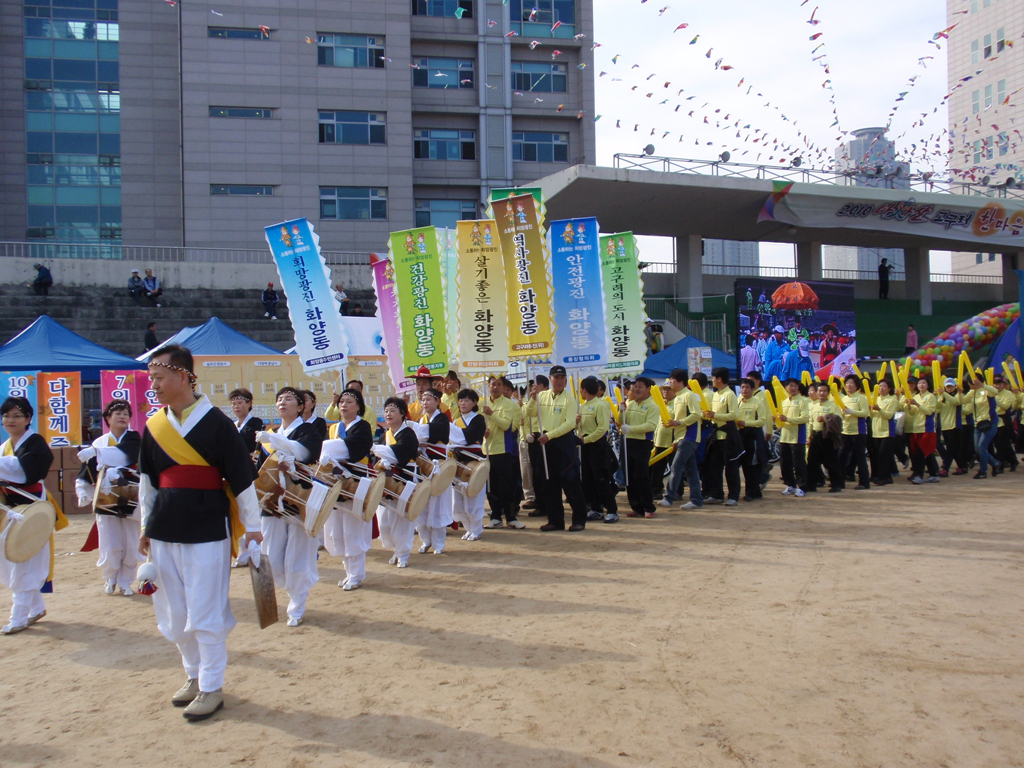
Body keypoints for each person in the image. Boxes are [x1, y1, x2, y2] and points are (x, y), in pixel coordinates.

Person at [137, 344, 262, 720]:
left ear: (183, 376)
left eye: (159, 378)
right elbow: (148, 482)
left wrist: (253, 528)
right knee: (173, 610)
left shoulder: (218, 424)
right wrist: (146, 524)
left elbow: (242, 481)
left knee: (205, 609)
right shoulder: (154, 426)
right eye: (151, 379)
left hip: (208, 529)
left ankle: (211, 685)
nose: (154, 386)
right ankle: (192, 676)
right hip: (164, 529)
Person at [254, 387, 323, 626]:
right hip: (272, 500)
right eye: (280, 399)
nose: (283, 402)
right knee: (271, 556)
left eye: (290, 398)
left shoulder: (308, 430)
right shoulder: (270, 435)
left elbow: (306, 452)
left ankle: (297, 604)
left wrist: (274, 441)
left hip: (299, 497)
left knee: (298, 554)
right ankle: (293, 590)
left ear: (301, 406)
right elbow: (262, 470)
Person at [0, 396, 68, 635]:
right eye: (7, 415)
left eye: (17, 415)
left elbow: (26, 470)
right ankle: (36, 608)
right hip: (11, 510)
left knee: (26, 561)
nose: (10, 420)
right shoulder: (5, 447)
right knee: (13, 558)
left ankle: (18, 617)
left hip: (32, 509)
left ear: (28, 419)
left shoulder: (36, 443)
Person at [75, 399, 143, 595]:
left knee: (131, 541)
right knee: (110, 541)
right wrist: (83, 489)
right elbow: (86, 470)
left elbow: (125, 456)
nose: (122, 417)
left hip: (130, 494)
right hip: (106, 495)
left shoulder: (133, 438)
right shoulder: (99, 442)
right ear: (107, 418)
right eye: (118, 413)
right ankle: (110, 577)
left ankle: (125, 581)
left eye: (126, 414)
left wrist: (96, 453)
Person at [319, 388, 375, 589]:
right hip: (335, 482)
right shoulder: (334, 429)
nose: (344, 405)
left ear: (359, 406)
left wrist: (329, 449)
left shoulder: (363, 426)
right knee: (336, 531)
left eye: (350, 401)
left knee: (353, 529)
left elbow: (357, 448)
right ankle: (348, 570)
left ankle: (356, 573)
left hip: (355, 481)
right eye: (341, 401)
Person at [523, 366, 589, 531]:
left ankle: (579, 520)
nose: (559, 381)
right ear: (550, 379)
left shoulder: (569, 399)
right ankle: (555, 521)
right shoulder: (542, 395)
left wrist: (550, 435)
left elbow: (570, 423)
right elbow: (529, 413)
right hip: (545, 444)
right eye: (556, 377)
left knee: (570, 482)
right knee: (549, 483)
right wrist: (532, 397)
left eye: (562, 378)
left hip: (563, 443)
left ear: (566, 380)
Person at [372, 397, 422, 568]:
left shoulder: (408, 434)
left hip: (403, 481)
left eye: (393, 410)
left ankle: (403, 554)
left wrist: (381, 453)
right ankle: (396, 550)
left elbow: (402, 453)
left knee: (401, 520)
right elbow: (375, 458)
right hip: (385, 483)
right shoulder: (384, 436)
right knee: (384, 523)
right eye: (386, 411)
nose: (388, 414)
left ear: (402, 413)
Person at [413, 388, 454, 554]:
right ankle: (426, 540)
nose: (425, 402)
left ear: (438, 401)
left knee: (438, 503)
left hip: (437, 466)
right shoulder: (421, 420)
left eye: (429, 399)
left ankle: (438, 542)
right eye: (423, 399)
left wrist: (417, 434)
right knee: (421, 502)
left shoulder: (442, 419)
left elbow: (435, 434)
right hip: (421, 466)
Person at [482, 376, 525, 529]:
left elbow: (507, 425)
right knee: (491, 486)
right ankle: (495, 516)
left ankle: (511, 517)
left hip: (504, 450)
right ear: (488, 386)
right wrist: (483, 431)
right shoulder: (482, 403)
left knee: (507, 486)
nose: (495, 387)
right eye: (493, 384)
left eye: (499, 385)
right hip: (487, 450)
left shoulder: (510, 405)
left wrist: (491, 414)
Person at [617, 377, 661, 519]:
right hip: (627, 442)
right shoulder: (630, 403)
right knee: (629, 476)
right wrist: (621, 411)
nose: (636, 389)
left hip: (642, 443)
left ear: (648, 389)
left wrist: (631, 429)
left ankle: (648, 507)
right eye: (635, 386)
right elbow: (620, 421)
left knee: (641, 476)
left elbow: (650, 426)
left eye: (640, 386)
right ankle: (636, 507)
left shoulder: (652, 406)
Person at [660, 369, 704, 510]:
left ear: (680, 381)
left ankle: (669, 497)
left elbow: (696, 414)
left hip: (689, 437)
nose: (670, 382)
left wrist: (678, 423)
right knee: (691, 470)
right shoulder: (678, 397)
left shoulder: (689, 395)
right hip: (681, 437)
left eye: (672, 380)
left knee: (676, 467)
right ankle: (696, 500)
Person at [578, 377, 619, 523]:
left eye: (581, 389)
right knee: (588, 479)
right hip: (585, 447)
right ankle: (596, 508)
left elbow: (602, 429)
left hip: (597, 446)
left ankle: (612, 510)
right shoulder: (582, 406)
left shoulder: (601, 405)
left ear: (584, 390)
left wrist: (586, 439)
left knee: (601, 479)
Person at [449, 389, 487, 540]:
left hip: (474, 460)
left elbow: (468, 438)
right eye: (461, 400)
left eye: (467, 400)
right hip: (458, 462)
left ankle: (476, 529)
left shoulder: (478, 419)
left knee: (473, 495)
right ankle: (468, 527)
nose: (463, 403)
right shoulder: (456, 421)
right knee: (458, 498)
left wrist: (455, 434)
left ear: (474, 402)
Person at [703, 368, 742, 506]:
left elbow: (734, 415)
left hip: (727, 436)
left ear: (719, 379)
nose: (712, 380)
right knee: (714, 467)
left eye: (713, 377)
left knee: (731, 468)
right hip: (716, 436)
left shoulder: (730, 394)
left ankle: (733, 496)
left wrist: (716, 415)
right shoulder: (716, 394)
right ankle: (716, 494)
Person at [736, 378, 770, 501]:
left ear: (753, 389)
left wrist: (746, 423)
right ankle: (755, 492)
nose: (744, 390)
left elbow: (761, 421)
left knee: (753, 465)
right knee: (745, 465)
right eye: (742, 387)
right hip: (742, 436)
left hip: (754, 437)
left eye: (747, 387)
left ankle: (751, 492)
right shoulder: (738, 402)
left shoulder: (757, 403)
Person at [902, 376, 940, 484]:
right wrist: (909, 406)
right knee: (923, 453)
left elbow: (929, 411)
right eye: (919, 383)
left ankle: (919, 475)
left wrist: (916, 404)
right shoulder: (917, 396)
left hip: (926, 428)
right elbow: (913, 413)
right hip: (916, 428)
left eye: (923, 383)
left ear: (928, 385)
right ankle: (933, 474)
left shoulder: (930, 396)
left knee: (922, 453)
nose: (921, 385)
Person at [777, 378, 810, 497]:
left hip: (797, 437)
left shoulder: (802, 401)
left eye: (795, 386)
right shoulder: (784, 401)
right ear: (786, 387)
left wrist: (788, 419)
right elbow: (781, 419)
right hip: (784, 437)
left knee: (798, 463)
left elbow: (805, 418)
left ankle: (802, 487)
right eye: (791, 386)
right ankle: (790, 485)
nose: (794, 388)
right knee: (785, 463)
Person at [838, 375, 871, 490]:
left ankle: (864, 482)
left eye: (851, 383)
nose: (849, 385)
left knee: (860, 457)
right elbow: (841, 414)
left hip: (859, 432)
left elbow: (865, 413)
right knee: (842, 457)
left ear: (857, 385)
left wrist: (851, 411)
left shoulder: (861, 398)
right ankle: (840, 481)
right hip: (845, 431)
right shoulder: (844, 398)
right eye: (847, 383)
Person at [966, 375, 1000, 479]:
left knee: (982, 447)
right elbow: (962, 401)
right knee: (978, 449)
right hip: (978, 424)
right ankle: (995, 463)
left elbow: (995, 392)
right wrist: (958, 392)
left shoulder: (986, 390)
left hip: (990, 423)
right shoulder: (972, 392)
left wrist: (982, 385)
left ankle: (983, 471)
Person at [649, 385, 677, 501]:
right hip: (659, 441)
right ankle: (657, 490)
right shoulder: (659, 403)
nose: (665, 392)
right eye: (663, 389)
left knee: (675, 468)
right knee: (657, 468)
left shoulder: (677, 403)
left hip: (671, 441)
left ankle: (676, 491)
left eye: (668, 389)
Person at [868, 379, 899, 486]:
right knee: (878, 455)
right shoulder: (875, 399)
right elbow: (872, 416)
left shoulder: (892, 400)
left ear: (889, 389)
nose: (881, 388)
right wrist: (870, 410)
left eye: (884, 386)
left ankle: (882, 477)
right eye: (879, 386)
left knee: (883, 455)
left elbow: (889, 415)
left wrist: (879, 409)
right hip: (876, 431)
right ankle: (886, 477)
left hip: (887, 431)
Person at [936, 378, 966, 477]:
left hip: (954, 426)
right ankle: (962, 466)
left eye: (951, 386)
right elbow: (937, 407)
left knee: (950, 449)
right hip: (945, 426)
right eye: (947, 386)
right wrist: (935, 396)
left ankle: (945, 468)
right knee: (954, 449)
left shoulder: (957, 394)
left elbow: (956, 402)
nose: (949, 388)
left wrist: (944, 393)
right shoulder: (942, 396)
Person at [992, 374, 1020, 472]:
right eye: (995, 384)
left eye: (999, 384)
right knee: (1001, 444)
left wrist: (995, 399)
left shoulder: (1008, 394)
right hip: (993, 421)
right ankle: (1013, 461)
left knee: (1001, 444)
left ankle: (1001, 465)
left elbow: (1005, 407)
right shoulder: (990, 393)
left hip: (1004, 421)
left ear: (1003, 384)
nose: (997, 386)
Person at [229, 388, 264, 460]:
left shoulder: (256, 423)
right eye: (233, 404)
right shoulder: (232, 425)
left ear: (249, 403)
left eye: (239, 403)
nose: (236, 406)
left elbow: (248, 444)